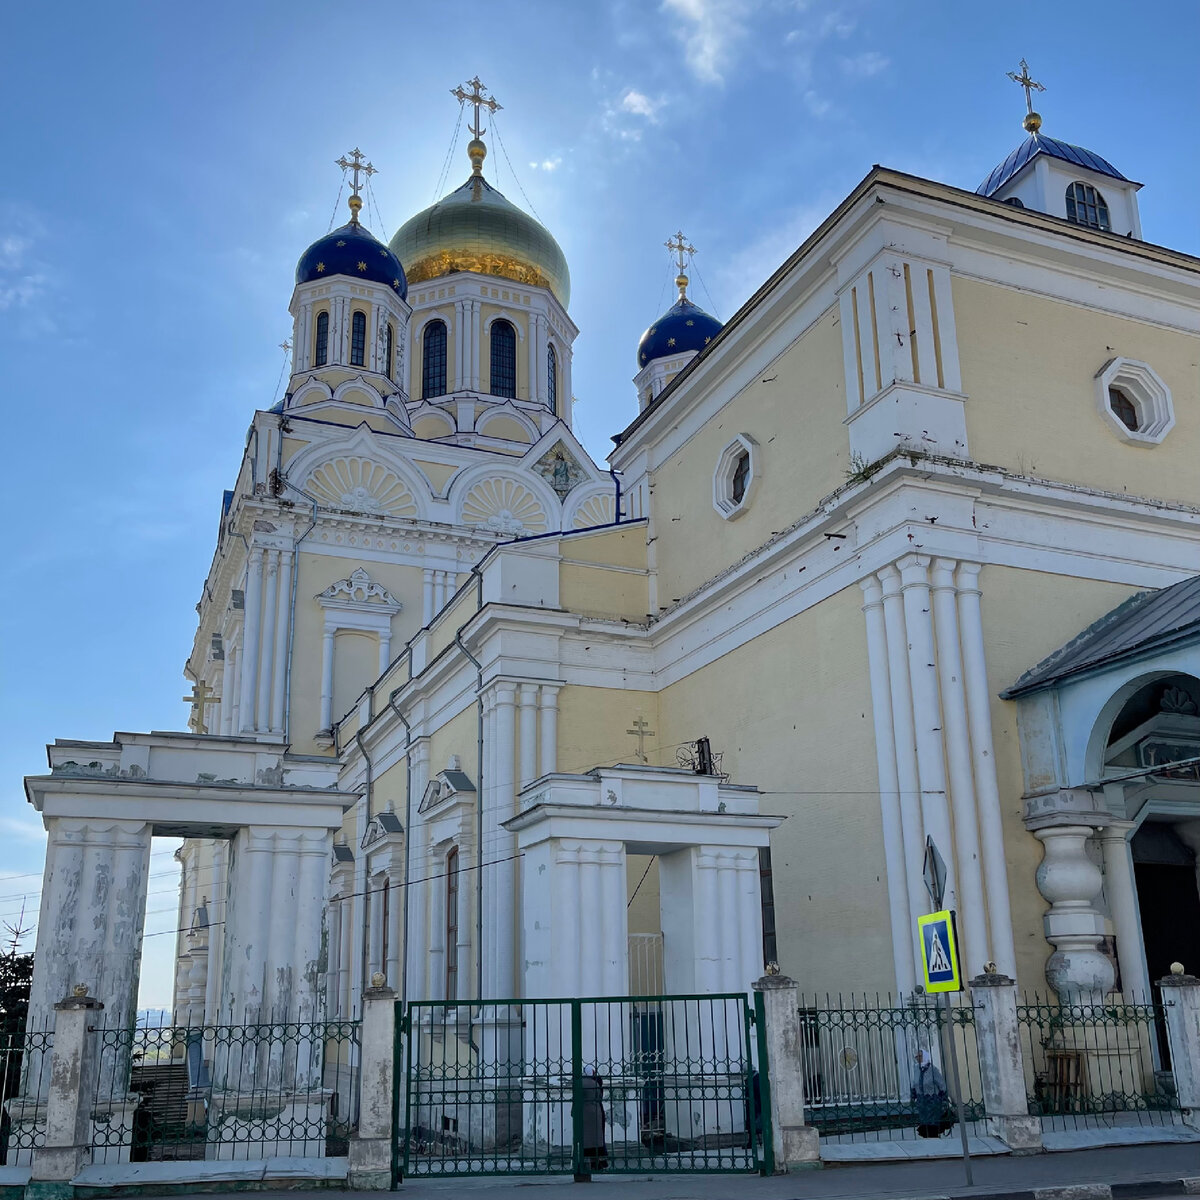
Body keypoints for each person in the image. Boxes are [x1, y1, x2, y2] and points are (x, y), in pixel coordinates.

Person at [911, 1048, 952, 1138]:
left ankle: (934, 1137)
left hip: (933, 1099)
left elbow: (941, 1084)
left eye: (920, 1056)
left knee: (932, 1120)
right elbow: (914, 1082)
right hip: (921, 1100)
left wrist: (942, 1096)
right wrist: (913, 1094)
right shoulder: (916, 1069)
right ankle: (927, 1137)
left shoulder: (933, 1069)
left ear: (925, 1056)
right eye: (916, 1057)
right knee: (924, 1120)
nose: (918, 1058)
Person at [581, 1064, 608, 1169]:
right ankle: (599, 1161)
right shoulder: (597, 1081)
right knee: (598, 1136)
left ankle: (588, 1162)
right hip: (597, 1110)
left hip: (584, 1112)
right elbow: (600, 1096)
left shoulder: (581, 1083)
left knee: (586, 1138)